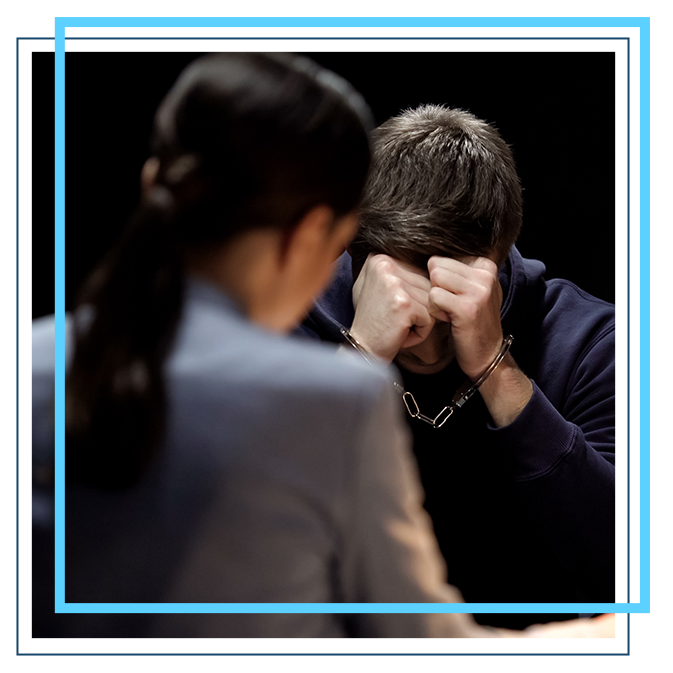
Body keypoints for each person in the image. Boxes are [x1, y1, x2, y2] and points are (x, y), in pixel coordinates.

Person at [31, 53, 615, 641]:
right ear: (322, 235)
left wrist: (495, 369)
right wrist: (587, 637)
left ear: (153, 182)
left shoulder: (38, 357)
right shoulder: (337, 394)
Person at [296, 104, 617, 630]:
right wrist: (360, 354)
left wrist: (495, 366)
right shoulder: (281, 326)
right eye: (407, 312)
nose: (425, 348)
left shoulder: (590, 341)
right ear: (352, 249)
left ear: (501, 253)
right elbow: (238, 542)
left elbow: (622, 570)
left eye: (451, 317)